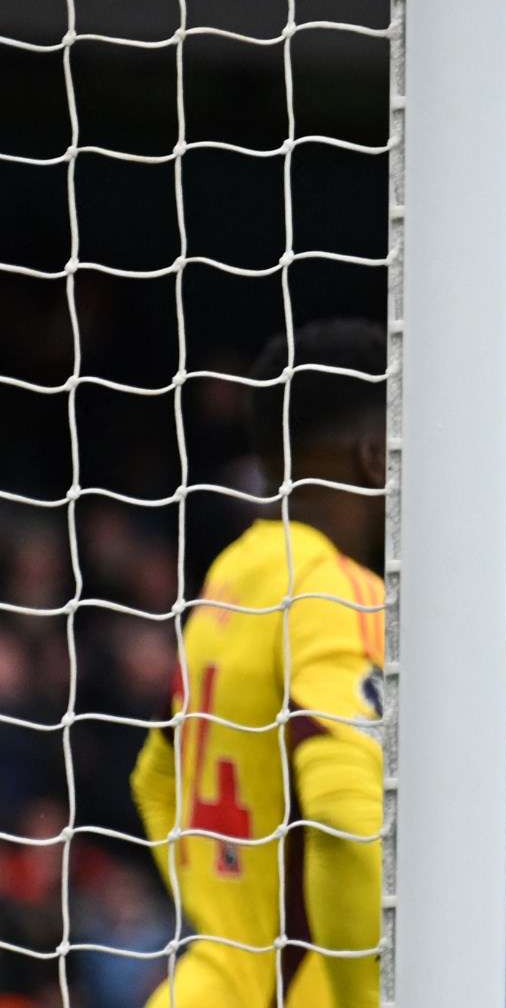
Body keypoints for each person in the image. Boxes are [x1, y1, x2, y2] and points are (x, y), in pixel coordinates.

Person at [129, 319, 386, 1007]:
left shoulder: (230, 577)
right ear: (374, 458)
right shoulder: (337, 587)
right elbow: (342, 816)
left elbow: (154, 778)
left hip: (205, 986)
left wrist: (224, 921)